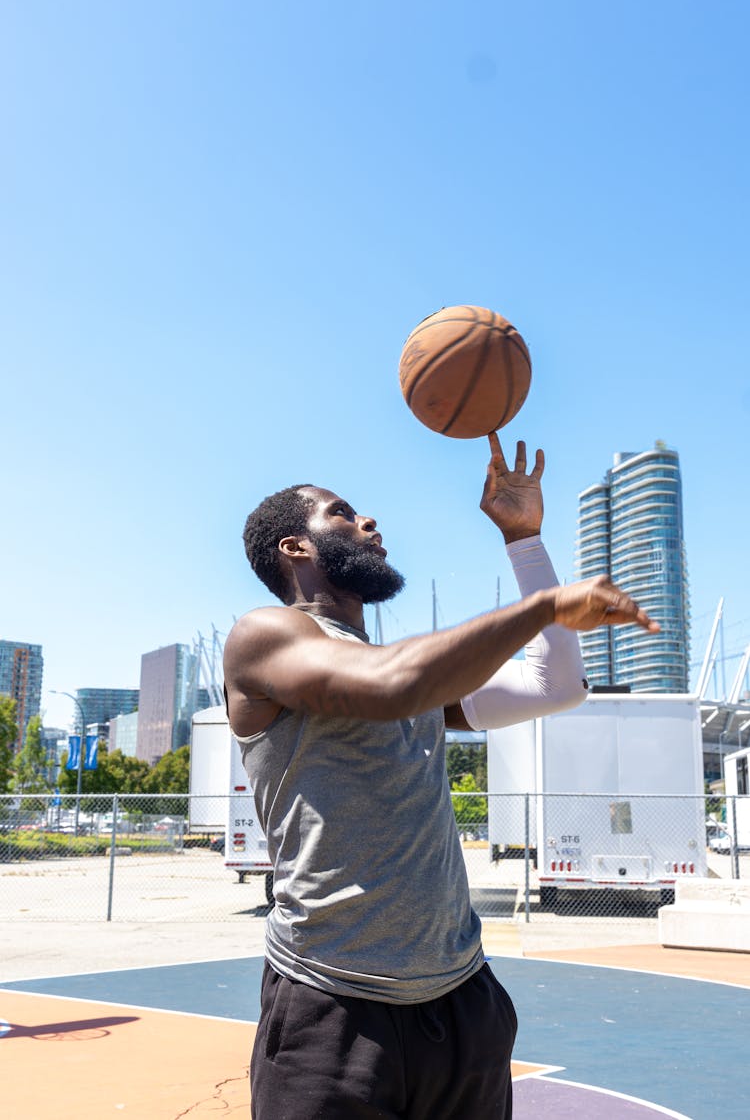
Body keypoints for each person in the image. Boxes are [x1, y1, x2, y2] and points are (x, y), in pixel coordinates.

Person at [223, 433, 659, 1120]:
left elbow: (558, 683)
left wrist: (524, 540)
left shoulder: (410, 670)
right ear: (294, 548)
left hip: (461, 1002)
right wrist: (542, 608)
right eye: (341, 513)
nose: (369, 521)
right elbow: (390, 683)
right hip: (333, 1008)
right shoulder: (265, 637)